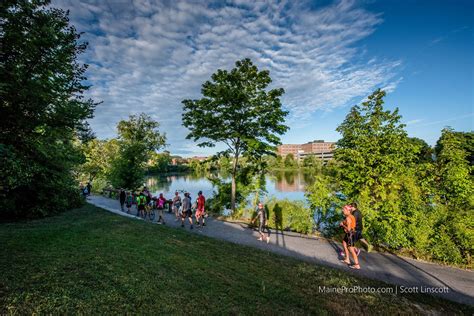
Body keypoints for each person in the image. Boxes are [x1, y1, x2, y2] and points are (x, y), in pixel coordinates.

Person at [340, 205, 360, 269]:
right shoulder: (351, 216)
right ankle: (347, 259)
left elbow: (349, 229)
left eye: (344, 210)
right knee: (344, 243)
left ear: (348, 210)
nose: (343, 211)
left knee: (351, 249)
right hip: (350, 233)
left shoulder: (348, 218)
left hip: (350, 234)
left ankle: (357, 265)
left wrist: (342, 225)